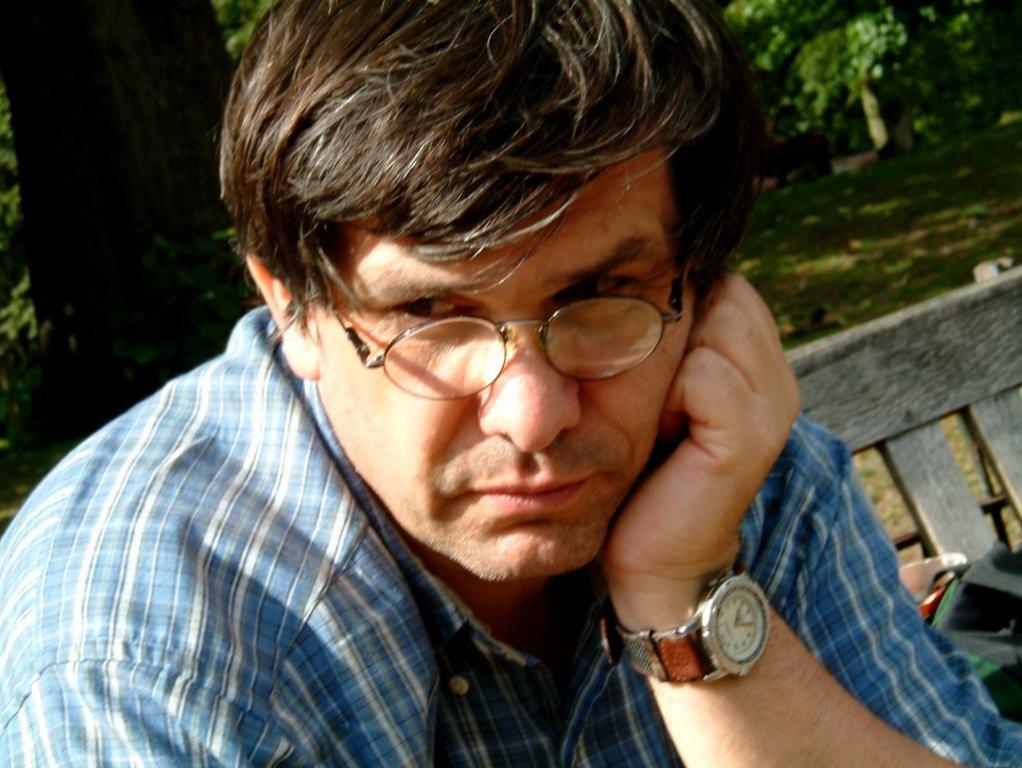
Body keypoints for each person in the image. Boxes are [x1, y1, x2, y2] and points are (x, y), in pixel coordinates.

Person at [1, 1, 1019, 765]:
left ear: (702, 289)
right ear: (295, 308)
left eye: (600, 294)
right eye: (427, 314)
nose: (532, 415)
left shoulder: (740, 469)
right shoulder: (142, 657)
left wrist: (686, 600)